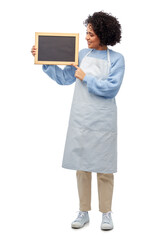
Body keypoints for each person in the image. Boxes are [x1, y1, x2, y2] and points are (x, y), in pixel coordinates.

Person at [31, 11, 125, 230]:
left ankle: (106, 213)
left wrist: (87, 77)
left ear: (103, 34)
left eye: (91, 34)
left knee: (104, 168)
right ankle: (83, 211)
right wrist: (43, 58)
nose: (86, 37)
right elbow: (65, 78)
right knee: (82, 167)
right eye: (86, 32)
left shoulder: (117, 59)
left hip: (103, 120)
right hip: (81, 118)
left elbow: (112, 88)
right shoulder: (82, 54)